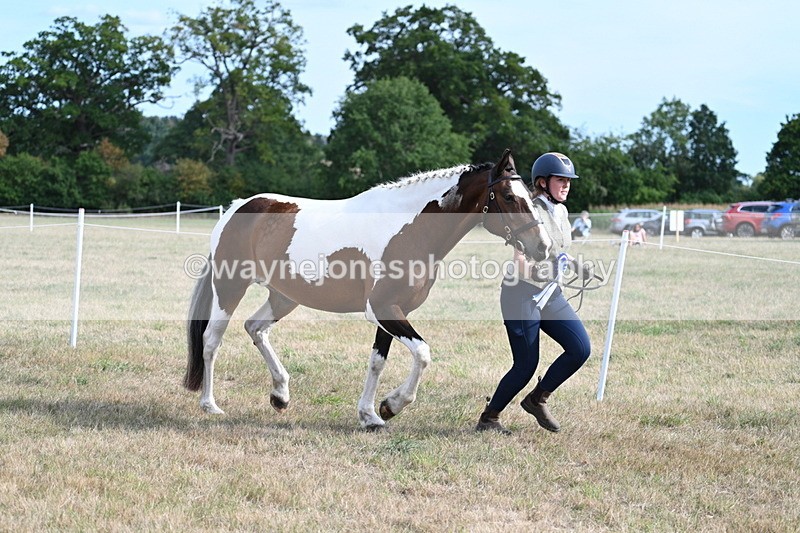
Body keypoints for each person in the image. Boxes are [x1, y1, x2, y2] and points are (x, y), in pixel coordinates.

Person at [476, 152, 592, 434]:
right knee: (526, 364)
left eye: (568, 180)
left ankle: (537, 399)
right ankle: (489, 418)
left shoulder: (562, 212)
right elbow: (520, 261)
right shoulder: (529, 211)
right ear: (542, 182)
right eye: (560, 180)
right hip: (521, 295)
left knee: (580, 349)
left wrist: (577, 265)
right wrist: (537, 272)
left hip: (550, 294)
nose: (566, 185)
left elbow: (559, 252)